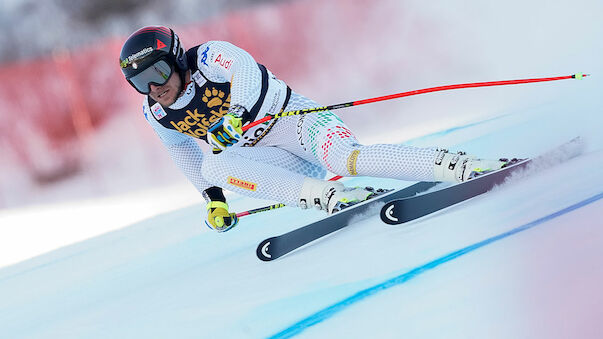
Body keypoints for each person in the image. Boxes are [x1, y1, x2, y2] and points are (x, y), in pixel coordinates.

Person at [119, 26, 508, 232]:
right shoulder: (156, 112)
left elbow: (247, 73)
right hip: (269, 157)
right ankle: (329, 196)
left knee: (347, 158)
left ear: (175, 59)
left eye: (157, 72)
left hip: (296, 121)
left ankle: (458, 166)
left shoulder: (208, 56)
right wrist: (214, 200)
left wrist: (234, 116)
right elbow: (182, 152)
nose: (154, 88)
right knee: (214, 167)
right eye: (141, 83)